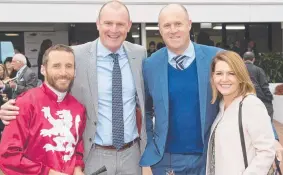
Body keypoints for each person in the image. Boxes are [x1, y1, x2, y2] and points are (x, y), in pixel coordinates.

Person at [0, 1, 147, 175]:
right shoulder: (75, 54)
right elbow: (52, 88)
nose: (113, 29)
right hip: (93, 154)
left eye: (120, 24)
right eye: (108, 23)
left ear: (129, 26)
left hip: (132, 154)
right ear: (98, 23)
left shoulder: (140, 54)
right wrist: (13, 106)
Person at [139, 4, 281, 175]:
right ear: (160, 29)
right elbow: (144, 108)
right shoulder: (150, 65)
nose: (173, 30)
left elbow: (245, 93)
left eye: (178, 24)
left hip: (209, 155)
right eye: (167, 25)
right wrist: (150, 142)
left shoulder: (217, 57)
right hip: (167, 159)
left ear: (189, 24)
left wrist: (271, 136)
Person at [0, 44, 86, 175]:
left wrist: (78, 169)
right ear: (43, 69)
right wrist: (49, 173)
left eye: (69, 66)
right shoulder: (25, 103)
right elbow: (8, 156)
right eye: (56, 66)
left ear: (75, 71)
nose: (63, 72)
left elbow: (77, 149)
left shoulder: (78, 108)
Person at [206, 50, 275, 175]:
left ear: (240, 76)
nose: (224, 79)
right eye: (219, 73)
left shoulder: (250, 105)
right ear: (213, 77)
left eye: (231, 73)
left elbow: (266, 151)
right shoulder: (221, 105)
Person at [243, 51, 274, 119]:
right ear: (253, 59)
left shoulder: (238, 70)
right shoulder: (258, 70)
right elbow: (264, 86)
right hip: (259, 98)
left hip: (242, 98)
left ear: (243, 59)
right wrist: (269, 98)